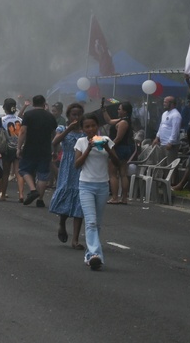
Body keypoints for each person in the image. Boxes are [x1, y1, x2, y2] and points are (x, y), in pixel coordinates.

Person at [75, 113, 120, 270]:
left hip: (102, 186)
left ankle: (90, 255)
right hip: (86, 185)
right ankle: (96, 254)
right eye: (87, 126)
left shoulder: (106, 140)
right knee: (91, 221)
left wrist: (106, 147)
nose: (91, 129)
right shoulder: (80, 142)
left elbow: (116, 162)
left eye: (93, 125)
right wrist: (89, 147)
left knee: (97, 223)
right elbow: (77, 164)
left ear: (98, 126)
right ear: (82, 129)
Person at [50, 103, 86, 250]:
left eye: (78, 115)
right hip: (67, 166)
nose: (76, 117)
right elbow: (55, 142)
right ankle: (62, 223)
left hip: (82, 167)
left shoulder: (86, 131)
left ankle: (75, 239)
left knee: (80, 200)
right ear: (68, 116)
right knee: (66, 195)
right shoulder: (62, 129)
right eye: (73, 114)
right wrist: (69, 129)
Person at [18, 95, 54, 207]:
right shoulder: (50, 116)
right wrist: (55, 148)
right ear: (44, 103)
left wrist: (19, 147)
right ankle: (40, 200)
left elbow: (23, 131)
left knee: (24, 169)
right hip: (46, 148)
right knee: (43, 174)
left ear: (33, 104)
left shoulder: (29, 115)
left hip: (30, 147)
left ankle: (33, 190)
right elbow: (53, 133)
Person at [105, 101, 134, 204]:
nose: (118, 110)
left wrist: (109, 147)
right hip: (125, 148)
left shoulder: (123, 123)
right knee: (123, 174)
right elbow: (109, 121)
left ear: (125, 111)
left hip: (119, 149)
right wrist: (104, 110)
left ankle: (115, 197)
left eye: (120, 109)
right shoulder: (123, 120)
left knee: (113, 174)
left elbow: (118, 138)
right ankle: (124, 198)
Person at [0, 98, 23, 200]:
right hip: (19, 148)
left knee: (5, 173)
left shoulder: (2, 120)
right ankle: (21, 194)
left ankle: (3, 194)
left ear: (4, 108)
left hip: (7, 149)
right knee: (18, 172)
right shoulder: (20, 120)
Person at [153, 96, 182, 160]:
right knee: (162, 164)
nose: (164, 104)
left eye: (165, 102)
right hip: (163, 143)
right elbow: (161, 126)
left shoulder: (176, 115)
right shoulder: (164, 114)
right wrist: (157, 137)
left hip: (171, 145)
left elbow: (175, 130)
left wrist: (170, 142)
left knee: (170, 164)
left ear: (171, 104)